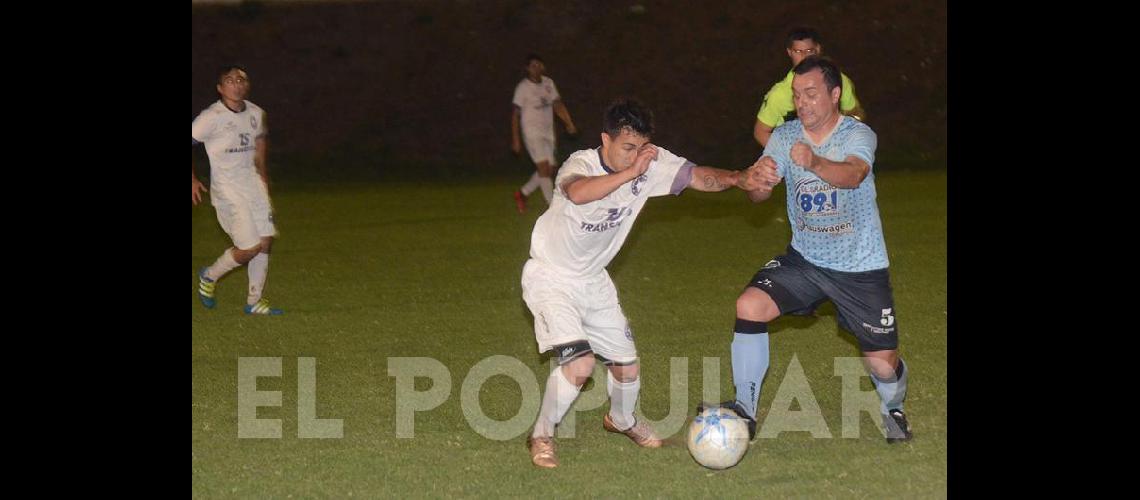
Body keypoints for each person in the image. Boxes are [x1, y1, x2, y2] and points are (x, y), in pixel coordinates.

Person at [522, 98, 765, 468]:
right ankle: (541, 434)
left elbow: (697, 176)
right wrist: (632, 172)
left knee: (627, 368)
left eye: (640, 147)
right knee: (581, 364)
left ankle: (621, 421)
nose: (635, 155)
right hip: (552, 277)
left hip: (593, 281)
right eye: (626, 147)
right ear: (606, 139)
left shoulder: (648, 161)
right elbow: (578, 192)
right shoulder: (581, 164)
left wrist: (738, 178)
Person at [723, 56, 911, 444]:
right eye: (796, 95)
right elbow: (760, 193)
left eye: (811, 94)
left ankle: (893, 409)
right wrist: (756, 183)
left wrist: (815, 161)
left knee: (882, 364)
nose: (802, 103)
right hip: (805, 260)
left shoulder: (857, 135)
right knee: (749, 306)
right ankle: (745, 411)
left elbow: (853, 174)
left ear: (835, 94)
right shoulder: (785, 135)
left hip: (860, 266)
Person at [192, 65, 283, 315]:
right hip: (227, 188)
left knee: (265, 242)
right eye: (230, 80)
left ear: (247, 85)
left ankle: (254, 302)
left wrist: (263, 177)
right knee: (249, 248)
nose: (237, 83)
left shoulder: (256, 112)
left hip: (252, 184)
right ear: (220, 88)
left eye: (241, 79)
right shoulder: (211, 117)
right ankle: (209, 276)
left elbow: (260, 142)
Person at [752, 27, 866, 148]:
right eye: (798, 51)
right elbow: (760, 132)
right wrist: (787, 156)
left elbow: (856, 114)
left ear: (817, 49)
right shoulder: (780, 94)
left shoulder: (839, 80)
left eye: (808, 50)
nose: (803, 56)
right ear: (789, 52)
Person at [511, 53, 578, 214]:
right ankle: (553, 207)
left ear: (543, 67)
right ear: (527, 68)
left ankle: (523, 193)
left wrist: (569, 122)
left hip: (547, 132)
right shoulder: (523, 87)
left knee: (549, 168)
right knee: (543, 167)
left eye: (538, 65)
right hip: (531, 132)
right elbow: (515, 114)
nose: (536, 68)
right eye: (532, 66)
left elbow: (557, 104)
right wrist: (516, 139)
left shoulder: (549, 83)